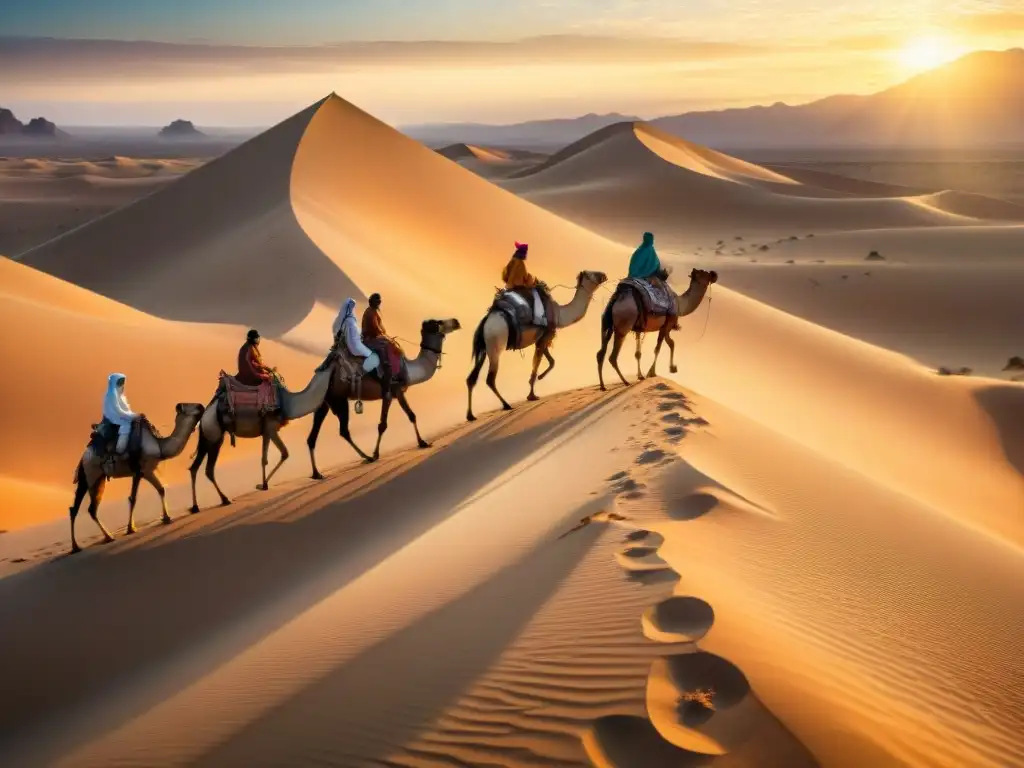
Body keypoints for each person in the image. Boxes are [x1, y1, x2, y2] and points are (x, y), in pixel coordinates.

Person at [501, 241, 547, 327]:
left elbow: (504, 276)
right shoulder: (521, 265)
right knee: (535, 298)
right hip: (519, 291)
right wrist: (530, 281)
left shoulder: (511, 263)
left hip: (507, 289)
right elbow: (526, 280)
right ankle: (538, 320)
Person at [334, 298, 381, 374]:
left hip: (348, 344)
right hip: (356, 345)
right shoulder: (351, 321)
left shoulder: (341, 320)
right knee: (375, 357)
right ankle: (364, 373)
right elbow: (354, 337)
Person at [101, 373, 139, 456]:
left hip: (120, 416)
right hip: (112, 417)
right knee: (126, 424)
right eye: (120, 382)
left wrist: (134, 415)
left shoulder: (121, 396)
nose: (122, 384)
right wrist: (132, 416)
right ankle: (120, 450)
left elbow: (126, 410)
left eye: (123, 382)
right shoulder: (111, 394)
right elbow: (118, 410)